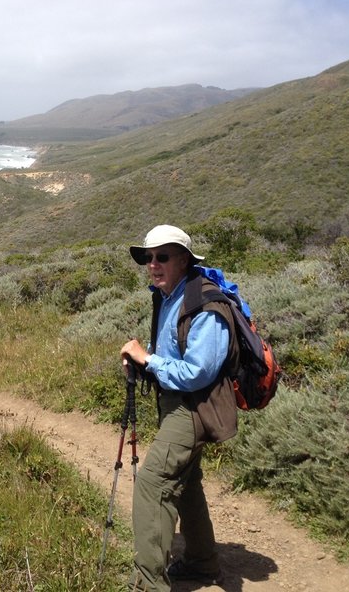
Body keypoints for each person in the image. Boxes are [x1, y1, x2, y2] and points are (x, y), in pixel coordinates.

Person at [120, 224, 238, 591]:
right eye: (148, 257)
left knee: (153, 485)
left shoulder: (205, 304)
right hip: (176, 403)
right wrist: (143, 362)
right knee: (186, 485)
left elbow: (198, 372)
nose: (153, 264)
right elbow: (175, 355)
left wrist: (149, 361)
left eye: (162, 256)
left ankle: (148, 584)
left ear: (184, 259)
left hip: (194, 409)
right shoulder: (171, 296)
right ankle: (203, 563)